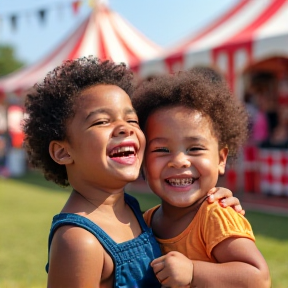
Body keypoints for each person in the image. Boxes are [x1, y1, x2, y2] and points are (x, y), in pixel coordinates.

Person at [23, 57, 244, 288]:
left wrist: (209, 200)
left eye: (132, 119)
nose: (124, 127)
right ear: (62, 152)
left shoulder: (134, 210)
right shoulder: (79, 241)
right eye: (101, 121)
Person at [132, 70, 271, 288]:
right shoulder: (145, 221)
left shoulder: (216, 215)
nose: (179, 161)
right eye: (161, 149)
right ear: (142, 160)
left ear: (221, 159)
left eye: (195, 148)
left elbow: (258, 278)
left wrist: (193, 271)